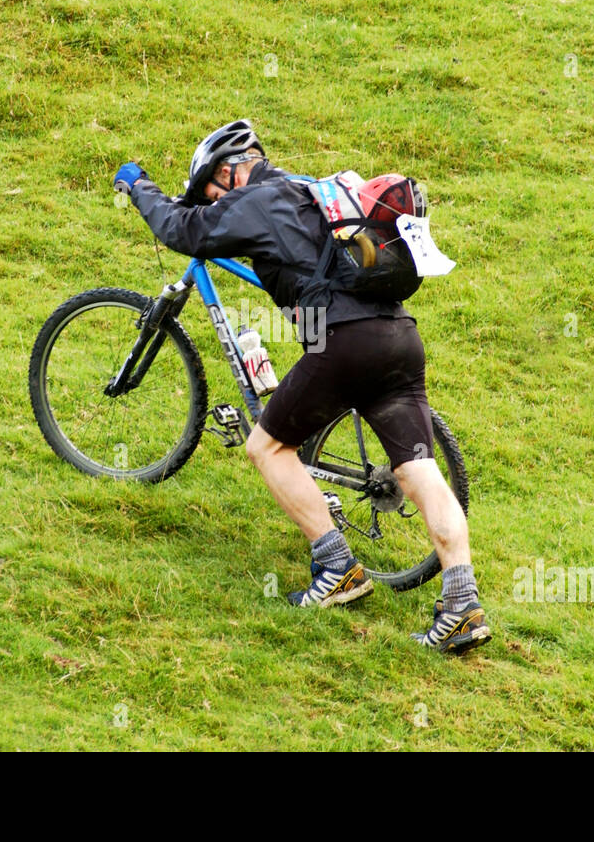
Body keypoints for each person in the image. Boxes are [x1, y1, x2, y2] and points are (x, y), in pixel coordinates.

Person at [113, 120, 490, 654]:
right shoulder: (316, 190)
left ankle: (336, 567)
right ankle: (463, 604)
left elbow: (184, 232)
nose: (212, 204)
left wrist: (140, 188)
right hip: (401, 338)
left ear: (228, 171)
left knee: (266, 446)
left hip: (345, 343)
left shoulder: (259, 199)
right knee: (420, 472)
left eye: (210, 193)